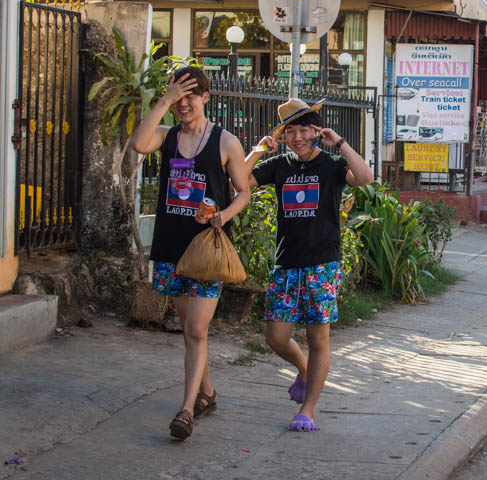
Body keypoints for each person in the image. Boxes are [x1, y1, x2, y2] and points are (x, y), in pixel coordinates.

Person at [130, 67, 251, 440]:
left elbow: (243, 191)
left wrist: (223, 215)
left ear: (205, 98)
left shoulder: (225, 142)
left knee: (197, 329)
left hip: (207, 251)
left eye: (190, 97)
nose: (183, 105)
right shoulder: (166, 136)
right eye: (177, 98)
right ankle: (209, 393)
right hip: (171, 247)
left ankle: (186, 410)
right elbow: (138, 143)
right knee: (190, 330)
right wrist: (163, 100)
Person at [244, 98, 374, 432]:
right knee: (276, 337)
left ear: (317, 131)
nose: (298, 137)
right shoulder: (279, 165)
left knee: (319, 339)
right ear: (284, 135)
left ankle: (308, 409)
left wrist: (341, 143)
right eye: (291, 131)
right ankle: (302, 368)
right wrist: (259, 150)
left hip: (322, 265)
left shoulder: (331, 165)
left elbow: (364, 177)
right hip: (286, 264)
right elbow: (238, 181)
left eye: (305, 130)